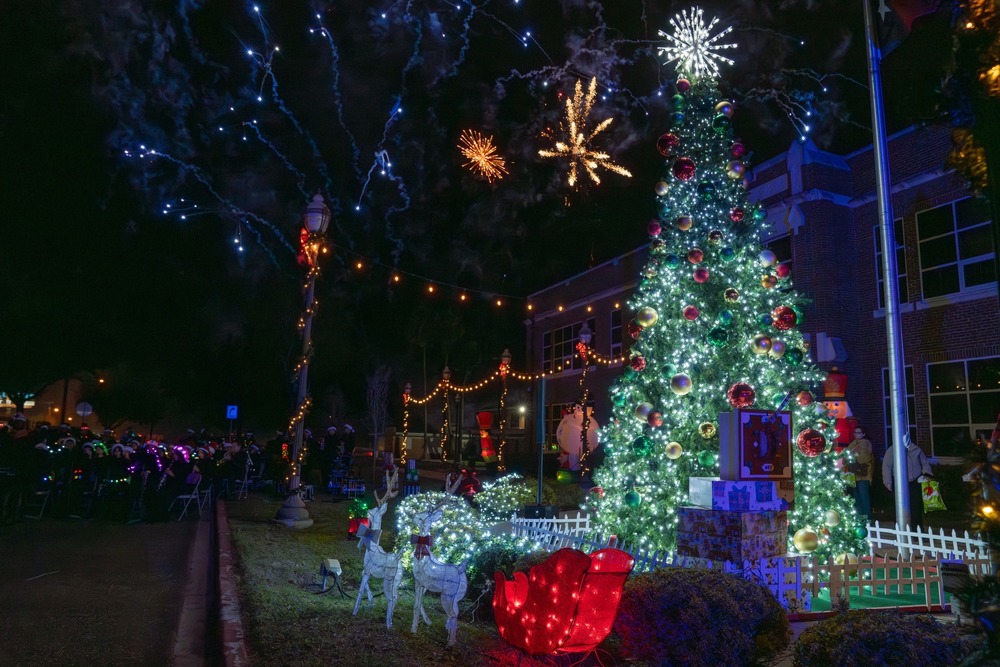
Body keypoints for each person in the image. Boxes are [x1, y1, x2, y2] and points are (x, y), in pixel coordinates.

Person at [882, 434, 933, 528]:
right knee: (899, 508)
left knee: (916, 508)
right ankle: (901, 530)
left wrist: (926, 474)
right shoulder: (892, 450)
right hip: (899, 482)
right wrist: (888, 481)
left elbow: (924, 462)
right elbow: (886, 467)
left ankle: (917, 532)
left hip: (915, 481)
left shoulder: (916, 449)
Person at [845, 426, 873, 521]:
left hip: (863, 475)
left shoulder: (866, 443)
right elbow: (846, 456)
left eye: (859, 432)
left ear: (863, 434)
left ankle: (867, 518)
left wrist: (853, 457)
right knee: (857, 497)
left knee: (863, 496)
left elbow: (865, 457)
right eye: (855, 432)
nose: (856, 434)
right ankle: (860, 517)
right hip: (853, 475)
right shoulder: (852, 444)